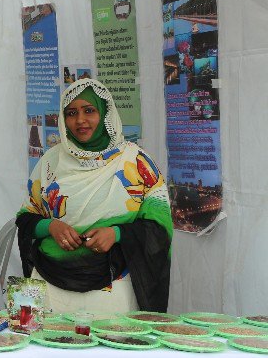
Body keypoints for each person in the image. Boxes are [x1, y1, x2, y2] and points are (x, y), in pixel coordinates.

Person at [15, 78, 173, 312]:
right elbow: (26, 218)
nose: (80, 120)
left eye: (89, 110)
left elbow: (159, 228)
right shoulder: (50, 162)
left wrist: (117, 233)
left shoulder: (136, 162)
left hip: (112, 292)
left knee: (110, 347)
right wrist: (50, 227)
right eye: (71, 113)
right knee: (46, 348)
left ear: (105, 113)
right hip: (50, 288)